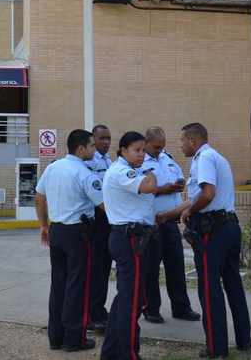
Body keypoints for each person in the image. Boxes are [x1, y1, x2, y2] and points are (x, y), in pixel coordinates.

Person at [158, 123, 251, 358]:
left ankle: (216, 348)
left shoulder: (204, 159)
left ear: (193, 140)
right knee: (233, 285)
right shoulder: (217, 157)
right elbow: (196, 199)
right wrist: (170, 215)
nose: (179, 146)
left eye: (181, 141)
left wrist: (189, 213)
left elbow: (207, 195)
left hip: (213, 231)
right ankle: (243, 340)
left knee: (209, 289)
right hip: (228, 226)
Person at [36, 129, 104, 353]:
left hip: (56, 232)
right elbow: (104, 205)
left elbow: (39, 198)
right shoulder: (84, 173)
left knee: (58, 285)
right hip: (78, 235)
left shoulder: (53, 167)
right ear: (81, 148)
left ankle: (56, 337)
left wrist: (44, 226)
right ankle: (75, 338)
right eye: (92, 146)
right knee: (78, 286)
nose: (95, 150)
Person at [99, 131, 157, 360]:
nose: (142, 155)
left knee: (125, 297)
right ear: (123, 151)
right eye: (137, 150)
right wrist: (151, 175)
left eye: (144, 150)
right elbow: (148, 186)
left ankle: (111, 352)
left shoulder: (128, 170)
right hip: (130, 239)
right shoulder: (122, 171)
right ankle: (128, 355)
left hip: (133, 237)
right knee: (132, 301)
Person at [142, 126, 200, 324]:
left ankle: (181, 307)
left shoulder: (167, 158)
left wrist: (178, 184)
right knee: (152, 268)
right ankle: (151, 309)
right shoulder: (139, 161)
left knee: (176, 266)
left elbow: (178, 175)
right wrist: (161, 189)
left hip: (171, 222)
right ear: (146, 142)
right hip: (153, 222)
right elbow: (137, 190)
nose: (159, 149)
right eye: (156, 146)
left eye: (162, 146)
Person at [85, 124, 114, 332]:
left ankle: (100, 307)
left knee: (105, 266)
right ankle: (92, 312)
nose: (106, 142)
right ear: (93, 140)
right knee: (95, 268)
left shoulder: (108, 160)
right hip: (96, 217)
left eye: (108, 138)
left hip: (108, 218)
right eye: (102, 138)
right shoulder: (90, 161)